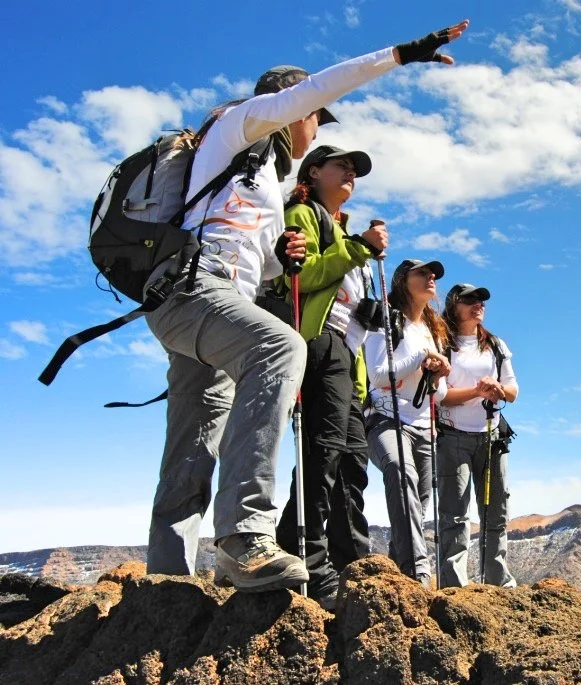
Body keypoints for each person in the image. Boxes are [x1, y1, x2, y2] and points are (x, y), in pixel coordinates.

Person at [143, 19, 470, 592]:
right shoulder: (237, 128)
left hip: (218, 304)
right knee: (279, 345)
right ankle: (245, 537)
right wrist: (401, 54)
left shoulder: (261, 180)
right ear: (291, 109)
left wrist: (280, 257)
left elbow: (253, 259)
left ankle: (164, 580)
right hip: (194, 293)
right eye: (314, 115)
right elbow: (316, 88)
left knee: (196, 436)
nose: (315, 124)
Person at [272, 145, 385, 608]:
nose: (351, 175)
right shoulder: (303, 213)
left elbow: (342, 297)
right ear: (314, 171)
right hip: (318, 345)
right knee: (323, 453)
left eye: (356, 171)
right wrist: (359, 249)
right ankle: (306, 556)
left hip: (346, 355)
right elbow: (300, 276)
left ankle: (349, 558)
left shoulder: (337, 228)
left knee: (350, 460)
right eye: (343, 166)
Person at [365, 259, 450, 585]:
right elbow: (377, 374)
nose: (431, 278)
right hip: (387, 419)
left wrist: (438, 375)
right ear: (402, 280)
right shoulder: (384, 320)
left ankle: (396, 578)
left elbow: (439, 394)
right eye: (423, 273)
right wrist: (420, 358)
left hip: (423, 426)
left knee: (417, 504)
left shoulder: (432, 330)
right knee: (401, 475)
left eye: (434, 275)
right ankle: (419, 577)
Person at [436, 284, 519, 588]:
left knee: (495, 511)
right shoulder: (443, 343)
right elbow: (441, 396)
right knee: (455, 514)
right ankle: (454, 586)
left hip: (491, 436)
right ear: (454, 305)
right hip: (452, 436)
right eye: (470, 299)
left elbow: (513, 390)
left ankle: (498, 582)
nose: (478, 304)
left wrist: (498, 391)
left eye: (481, 299)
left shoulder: (495, 345)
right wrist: (478, 391)